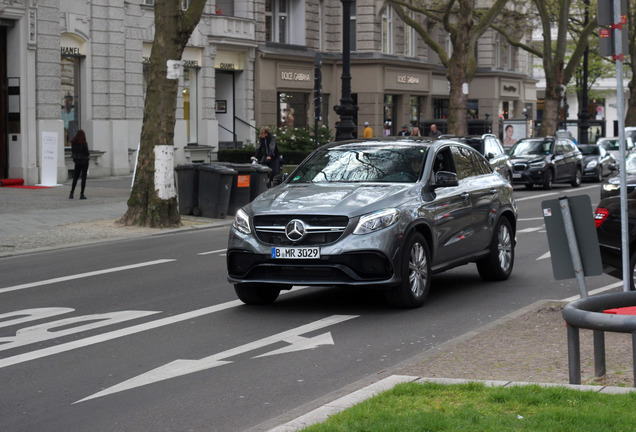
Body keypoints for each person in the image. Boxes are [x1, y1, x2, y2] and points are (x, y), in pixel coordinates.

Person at [69, 129, 90, 199]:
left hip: (77, 162)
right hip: (84, 162)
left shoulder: (74, 143)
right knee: (83, 178)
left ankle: (71, 193)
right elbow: (87, 153)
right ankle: (82, 194)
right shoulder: (84, 143)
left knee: (75, 178)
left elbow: (73, 152)